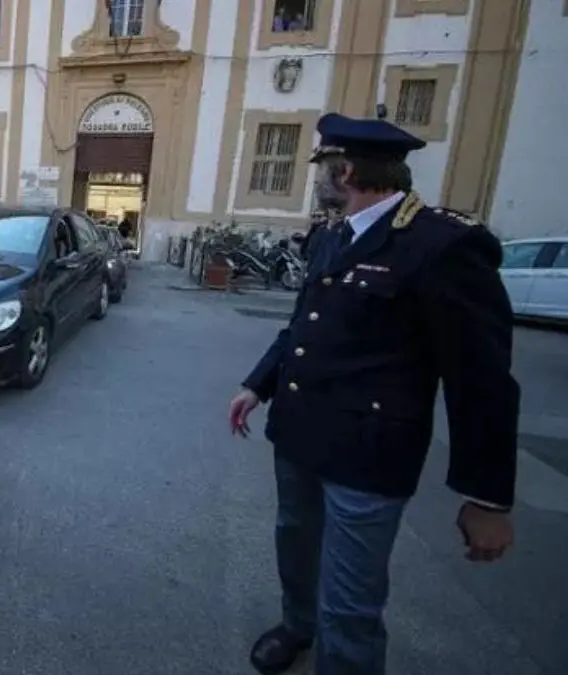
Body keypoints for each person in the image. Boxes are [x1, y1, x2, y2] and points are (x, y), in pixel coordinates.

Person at [226, 113, 519, 675]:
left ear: (346, 173)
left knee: (351, 601)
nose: (316, 179)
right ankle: (297, 625)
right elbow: (303, 326)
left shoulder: (443, 245)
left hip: (368, 454)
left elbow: (482, 378)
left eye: (322, 168)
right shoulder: (333, 236)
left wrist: (487, 498)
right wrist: (257, 385)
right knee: (296, 546)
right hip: (299, 435)